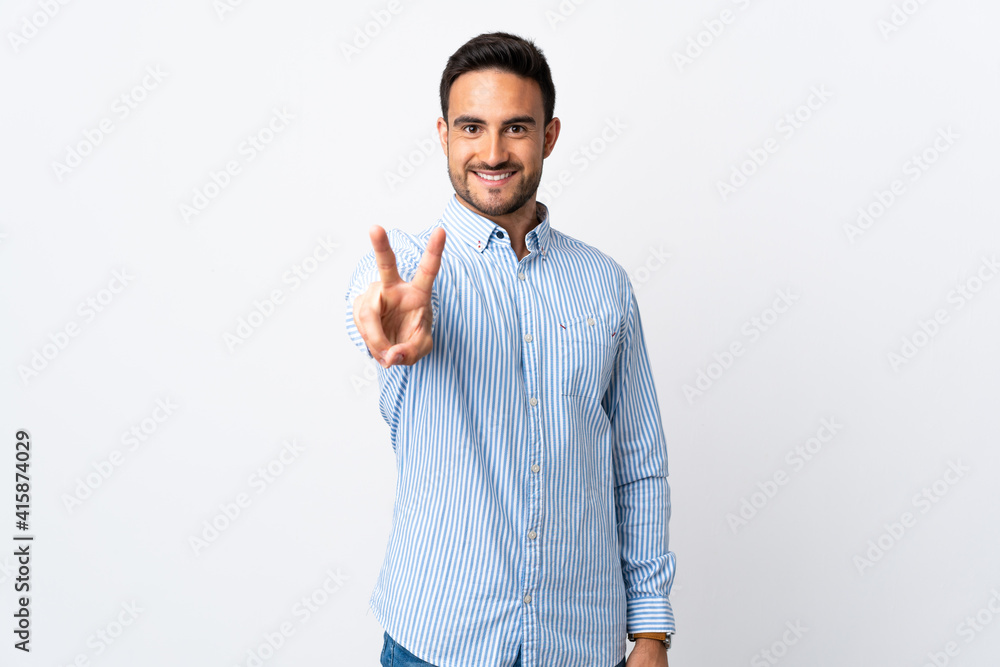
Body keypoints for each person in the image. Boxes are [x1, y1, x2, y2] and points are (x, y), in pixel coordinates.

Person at [345, 31, 675, 667]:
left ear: (549, 136)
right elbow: (373, 306)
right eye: (472, 127)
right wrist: (385, 322)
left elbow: (639, 465)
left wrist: (652, 632)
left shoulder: (604, 285)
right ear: (443, 134)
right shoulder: (412, 270)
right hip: (438, 639)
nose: (492, 152)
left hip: (579, 643)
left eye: (515, 128)